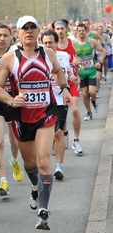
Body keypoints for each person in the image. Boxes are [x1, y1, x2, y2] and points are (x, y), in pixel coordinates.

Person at [0, 15, 72, 230]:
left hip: (46, 113)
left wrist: (64, 88)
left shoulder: (48, 54)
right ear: (17, 34)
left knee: (44, 161)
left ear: (38, 31)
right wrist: (11, 100)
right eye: (24, 28)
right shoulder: (9, 58)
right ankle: (35, 187)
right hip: (22, 117)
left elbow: (58, 71)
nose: (29, 31)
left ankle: (43, 211)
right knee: (30, 164)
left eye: (32, 27)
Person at [0, 24, 24, 197]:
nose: (1, 39)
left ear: (11, 37)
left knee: (14, 141)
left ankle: (15, 161)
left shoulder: (17, 53)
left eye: (5, 36)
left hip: (14, 100)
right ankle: (3, 181)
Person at [41, 30, 79, 180]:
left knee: (58, 133)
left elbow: (69, 72)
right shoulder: (38, 58)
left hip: (60, 99)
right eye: (45, 43)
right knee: (48, 134)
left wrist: (72, 78)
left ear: (57, 43)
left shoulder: (63, 56)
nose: (48, 45)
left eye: (51, 42)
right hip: (44, 101)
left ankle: (59, 166)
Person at [53, 19, 83, 154]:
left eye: (62, 28)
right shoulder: (50, 45)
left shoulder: (73, 42)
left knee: (75, 110)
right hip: (58, 82)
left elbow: (75, 58)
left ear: (66, 29)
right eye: (57, 29)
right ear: (54, 30)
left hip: (72, 80)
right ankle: (64, 133)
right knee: (61, 113)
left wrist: (77, 64)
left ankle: (76, 140)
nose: (60, 31)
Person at [75, 23, 107, 122]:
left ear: (86, 31)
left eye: (83, 31)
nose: (81, 32)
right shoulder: (74, 43)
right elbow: (72, 56)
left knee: (92, 92)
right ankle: (89, 112)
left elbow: (104, 51)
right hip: (81, 72)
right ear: (77, 32)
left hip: (91, 70)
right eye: (79, 31)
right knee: (84, 94)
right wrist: (77, 64)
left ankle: (93, 101)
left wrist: (99, 61)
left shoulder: (91, 41)